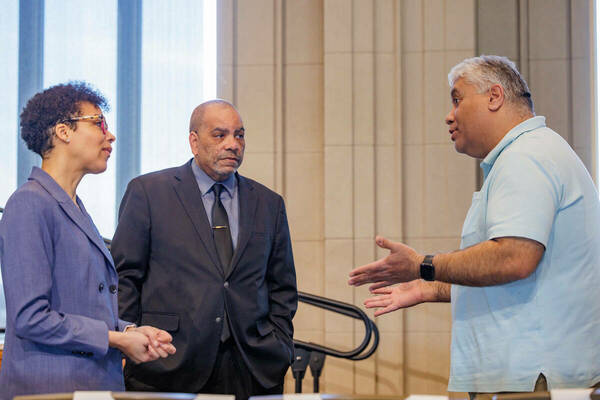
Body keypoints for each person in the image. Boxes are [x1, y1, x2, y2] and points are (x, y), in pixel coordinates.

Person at [348, 56, 600, 396]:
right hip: (529, 372)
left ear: (494, 97)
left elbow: (513, 258)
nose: (449, 115)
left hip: (534, 376)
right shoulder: (529, 153)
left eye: (457, 99)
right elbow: (520, 279)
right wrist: (430, 288)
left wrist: (424, 266)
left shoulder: (526, 156)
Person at [112, 99, 297, 399]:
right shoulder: (149, 192)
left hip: (251, 368)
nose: (233, 144)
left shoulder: (268, 203)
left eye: (239, 135)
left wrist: (280, 344)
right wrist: (128, 337)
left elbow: (283, 287)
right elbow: (124, 277)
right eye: (220, 134)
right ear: (194, 142)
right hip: (167, 364)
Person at [0, 82, 176, 400]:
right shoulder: (28, 203)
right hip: (49, 390)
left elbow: (83, 306)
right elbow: (30, 318)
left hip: (91, 385)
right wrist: (117, 340)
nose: (110, 135)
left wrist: (129, 330)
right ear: (64, 131)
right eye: (98, 122)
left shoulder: (73, 207)